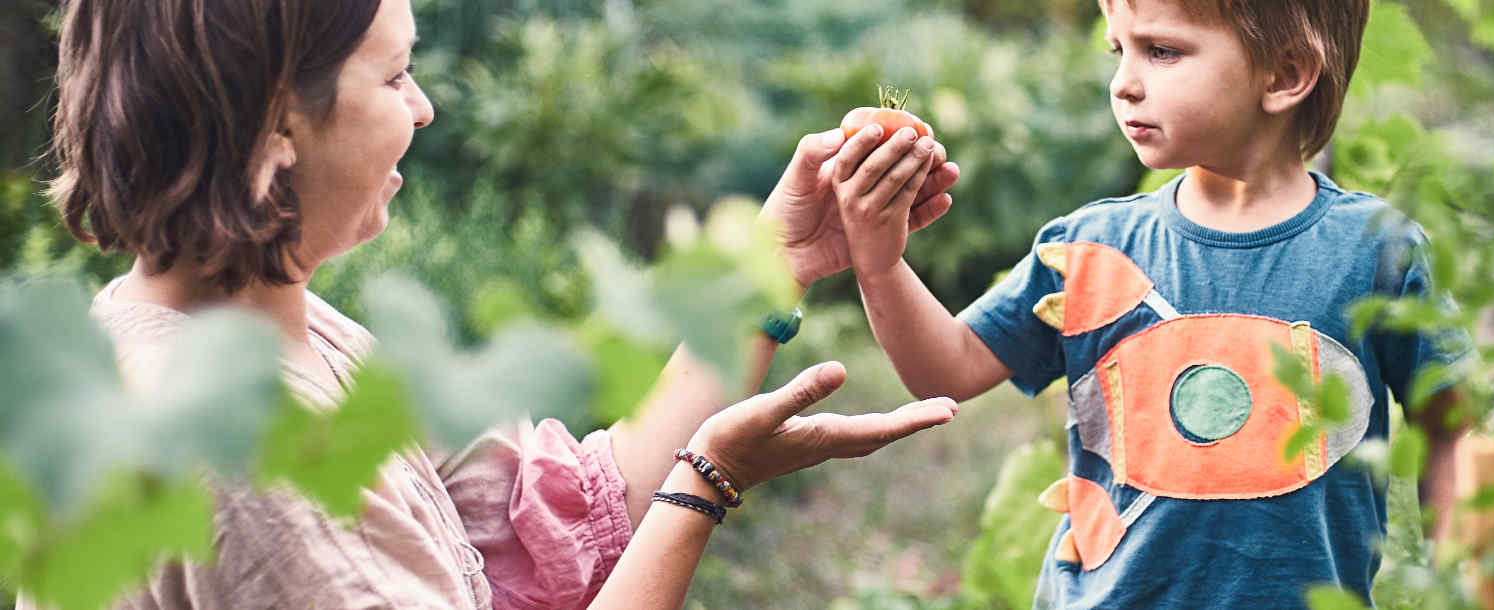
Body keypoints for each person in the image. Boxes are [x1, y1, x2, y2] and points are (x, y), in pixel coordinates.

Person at [32, 0, 962, 608]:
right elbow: (647, 504)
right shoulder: (250, 460)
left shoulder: (281, 335)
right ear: (276, 118)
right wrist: (706, 482)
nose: (425, 107)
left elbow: (569, 515)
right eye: (395, 76)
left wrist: (778, 264)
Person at [828, 0, 1473, 606]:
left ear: (1286, 73)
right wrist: (880, 262)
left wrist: (1468, 583)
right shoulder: (1086, 250)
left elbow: (1455, 429)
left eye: (1161, 51)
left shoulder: (1376, 253)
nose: (1124, 84)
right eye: (1119, 51)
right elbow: (948, 367)